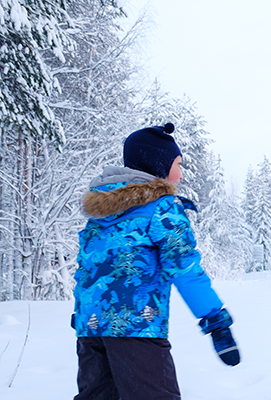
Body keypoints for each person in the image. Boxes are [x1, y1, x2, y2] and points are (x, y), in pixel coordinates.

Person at [72, 123, 240, 400]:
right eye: (178, 165)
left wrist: (83, 315)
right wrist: (216, 321)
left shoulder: (99, 215)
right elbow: (185, 268)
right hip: (137, 328)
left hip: (90, 332)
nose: (181, 175)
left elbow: (86, 270)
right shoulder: (162, 208)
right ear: (158, 165)